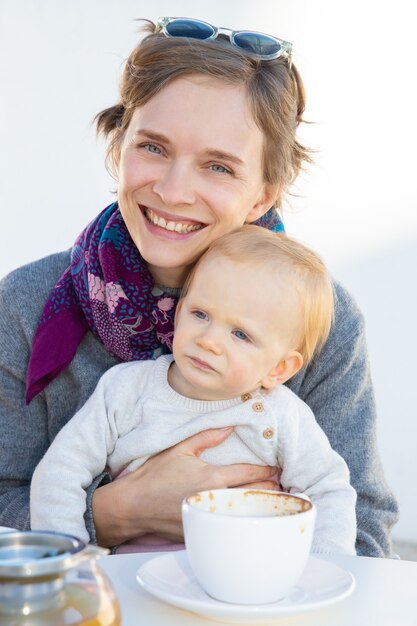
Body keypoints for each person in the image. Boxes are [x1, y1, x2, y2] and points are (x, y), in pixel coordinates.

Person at [0, 17, 397, 556]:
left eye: (218, 166)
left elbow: (362, 533)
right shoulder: (28, 304)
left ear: (264, 196)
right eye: (153, 148)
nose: (173, 190)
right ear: (119, 149)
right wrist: (115, 513)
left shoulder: (320, 318)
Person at [30, 227, 357, 556]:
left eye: (241, 334)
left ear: (279, 369)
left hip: (247, 582)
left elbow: (328, 490)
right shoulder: (126, 390)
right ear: (178, 311)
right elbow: (60, 472)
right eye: (200, 314)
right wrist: (67, 562)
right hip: (137, 582)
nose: (209, 340)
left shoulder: (282, 414)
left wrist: (323, 570)